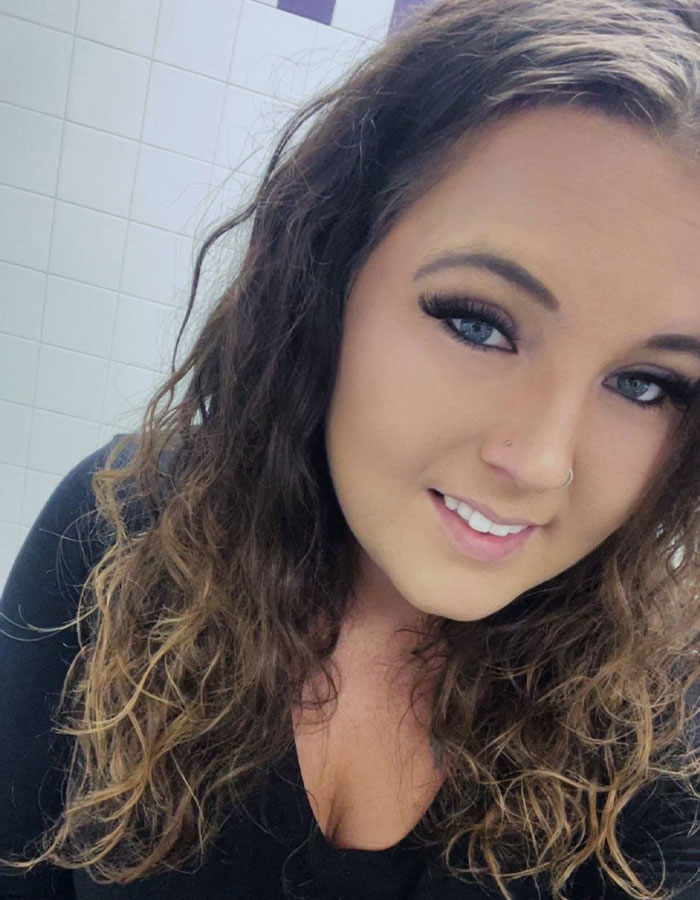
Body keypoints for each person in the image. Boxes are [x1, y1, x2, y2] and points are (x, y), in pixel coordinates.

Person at [1, 0, 699, 898]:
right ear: (329, 272)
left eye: (647, 385)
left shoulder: (656, 734)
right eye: (479, 324)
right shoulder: (120, 531)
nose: (540, 462)